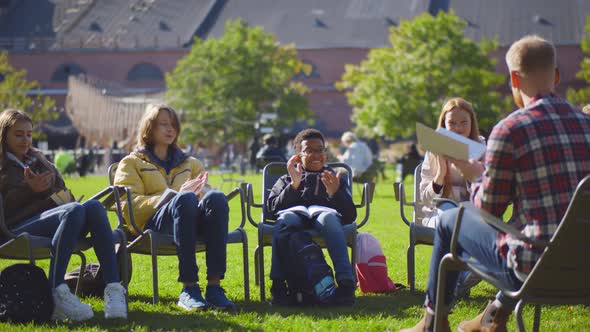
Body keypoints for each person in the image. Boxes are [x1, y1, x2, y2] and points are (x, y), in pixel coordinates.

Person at [402, 35, 590, 332]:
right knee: (527, 230)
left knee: (451, 219)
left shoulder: (511, 129)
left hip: (532, 269)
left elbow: (487, 210)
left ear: (514, 78)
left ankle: (433, 321)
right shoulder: (586, 124)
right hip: (584, 268)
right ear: (556, 76)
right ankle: (493, 317)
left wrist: (473, 172)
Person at [0, 109, 127, 321]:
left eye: (29, 134)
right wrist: (27, 188)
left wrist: (47, 177)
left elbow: (62, 192)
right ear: (4, 136)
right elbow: (6, 208)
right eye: (19, 134)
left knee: (93, 207)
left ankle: (113, 289)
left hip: (53, 221)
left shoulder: (37, 160)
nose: (25, 139)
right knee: (74, 210)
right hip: (15, 228)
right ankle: (57, 290)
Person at [113, 104, 236, 311]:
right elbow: (129, 206)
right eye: (163, 125)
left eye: (173, 125)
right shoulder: (131, 163)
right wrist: (172, 197)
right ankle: (189, 289)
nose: (170, 129)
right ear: (149, 128)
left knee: (216, 197)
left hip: (190, 220)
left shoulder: (191, 163)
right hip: (151, 225)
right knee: (185, 199)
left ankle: (214, 288)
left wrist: (200, 196)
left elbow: (205, 200)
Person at [267, 128, 357, 306]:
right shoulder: (286, 179)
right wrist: (293, 185)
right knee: (284, 222)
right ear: (298, 155)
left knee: (329, 219)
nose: (316, 155)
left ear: (326, 153)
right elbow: (271, 210)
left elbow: (349, 216)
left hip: (325, 218)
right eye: (309, 150)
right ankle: (278, 286)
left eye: (320, 149)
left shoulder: (333, 178)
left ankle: (346, 284)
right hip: (294, 217)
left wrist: (335, 193)